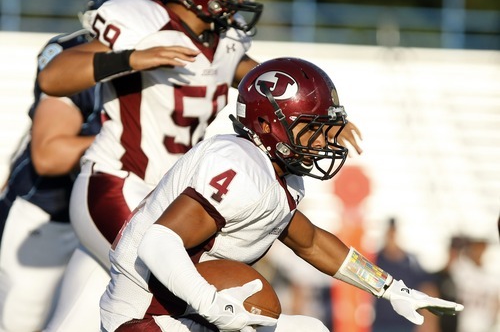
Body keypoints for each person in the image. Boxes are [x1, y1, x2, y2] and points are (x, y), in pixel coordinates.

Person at [37, 0, 364, 331]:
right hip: (121, 182)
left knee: (86, 312)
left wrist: (318, 117)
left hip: (173, 192)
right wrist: (130, 58)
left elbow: (270, 87)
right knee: (206, 296)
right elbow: (51, 78)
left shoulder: (222, 42)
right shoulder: (147, 25)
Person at [98, 57, 463, 332]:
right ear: (265, 124)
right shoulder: (238, 163)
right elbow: (158, 242)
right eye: (311, 128)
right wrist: (215, 308)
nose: (322, 141)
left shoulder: (274, 173)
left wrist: (388, 287)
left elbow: (312, 242)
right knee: (268, 304)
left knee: (313, 329)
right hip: (147, 316)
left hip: (180, 308)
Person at [0, 0, 106, 329]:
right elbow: (49, 155)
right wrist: (123, 143)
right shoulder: (74, 53)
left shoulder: (178, 61)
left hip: (112, 222)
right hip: (48, 215)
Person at [371, 218, 441, 332]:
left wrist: (429, 322)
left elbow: (428, 288)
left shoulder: (412, 262)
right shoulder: (376, 260)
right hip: (380, 324)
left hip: (407, 325)